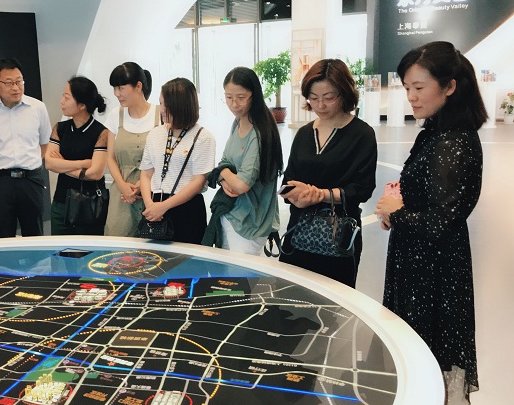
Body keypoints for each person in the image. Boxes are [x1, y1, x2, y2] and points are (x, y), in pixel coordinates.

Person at [374, 41, 486, 405]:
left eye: (419, 87)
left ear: (450, 86)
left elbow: (441, 222)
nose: (411, 96)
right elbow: (429, 202)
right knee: (416, 349)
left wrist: (397, 213)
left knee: (425, 350)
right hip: (416, 259)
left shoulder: (454, 141)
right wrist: (397, 211)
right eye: (407, 87)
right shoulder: (436, 132)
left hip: (433, 269)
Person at [279, 59, 377, 288]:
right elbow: (288, 179)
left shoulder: (361, 134)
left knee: (334, 298)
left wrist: (321, 195)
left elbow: (362, 189)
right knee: (292, 295)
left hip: (338, 235)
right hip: (299, 231)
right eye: (313, 98)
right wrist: (294, 196)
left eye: (329, 97)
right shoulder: (304, 134)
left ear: (344, 93)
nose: (320, 105)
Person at [203, 67, 283, 255]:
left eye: (241, 97)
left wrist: (222, 173)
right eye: (228, 97)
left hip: (250, 224)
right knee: (225, 273)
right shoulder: (238, 122)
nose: (234, 104)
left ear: (254, 95)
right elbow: (225, 160)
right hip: (231, 214)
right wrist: (225, 177)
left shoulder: (259, 132)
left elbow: (241, 185)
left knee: (240, 274)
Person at [0, 58, 52, 238]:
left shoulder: (38, 108)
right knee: (2, 235)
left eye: (19, 81)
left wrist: (31, 161)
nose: (16, 88)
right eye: (9, 83)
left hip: (30, 180)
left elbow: (44, 142)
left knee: (35, 235)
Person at [138, 78, 216, 244]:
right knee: (153, 258)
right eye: (160, 103)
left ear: (181, 106)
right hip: (154, 205)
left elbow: (198, 181)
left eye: (166, 104)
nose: (161, 109)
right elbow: (146, 173)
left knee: (187, 259)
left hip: (186, 209)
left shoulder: (203, 137)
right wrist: (149, 204)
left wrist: (164, 206)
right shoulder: (155, 134)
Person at [45, 76, 109, 235]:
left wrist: (63, 165)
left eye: (67, 98)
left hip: (90, 205)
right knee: (60, 249)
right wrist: (83, 164)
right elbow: (49, 163)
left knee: (89, 249)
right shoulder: (60, 128)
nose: (61, 101)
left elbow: (96, 173)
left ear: (82, 105)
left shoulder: (101, 132)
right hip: (61, 203)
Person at [104, 62, 159, 237]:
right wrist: (124, 187)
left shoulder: (160, 115)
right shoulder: (115, 115)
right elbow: (110, 157)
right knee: (118, 245)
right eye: (114, 88)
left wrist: (142, 184)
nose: (116, 94)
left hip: (153, 192)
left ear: (138, 86)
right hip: (122, 194)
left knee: (153, 246)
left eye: (121, 88)